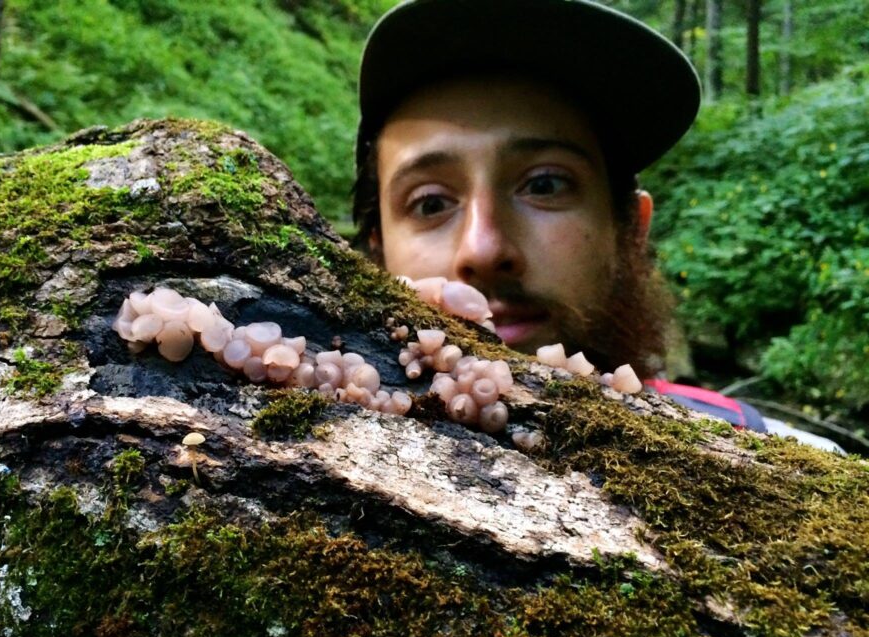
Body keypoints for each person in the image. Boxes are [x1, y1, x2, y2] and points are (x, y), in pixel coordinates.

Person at [351, 0, 842, 452]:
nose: (483, 248)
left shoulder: (797, 466)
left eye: (544, 185)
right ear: (376, 255)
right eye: (431, 201)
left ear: (631, 230)